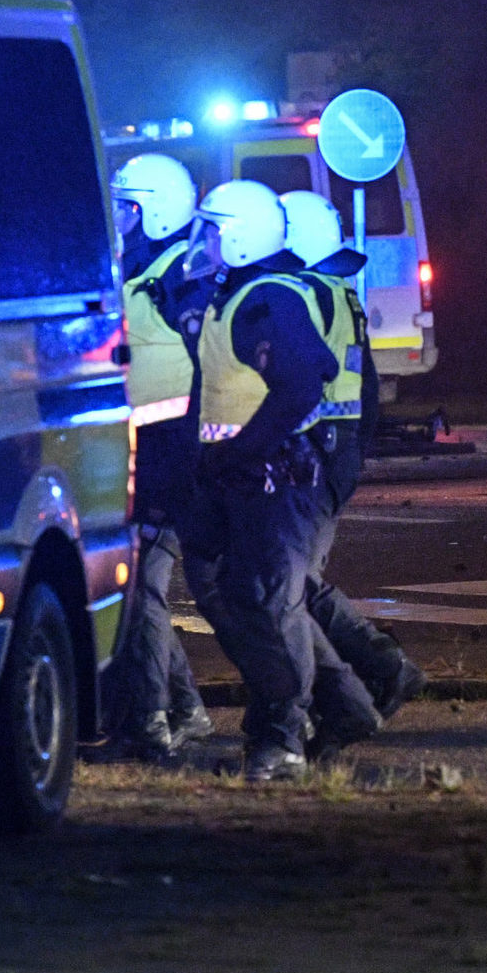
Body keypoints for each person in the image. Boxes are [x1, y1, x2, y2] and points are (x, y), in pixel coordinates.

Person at [181, 180, 380, 781]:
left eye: (214, 231)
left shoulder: (268, 299)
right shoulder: (241, 294)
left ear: (239, 237)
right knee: (249, 599)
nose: (205, 243)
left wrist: (245, 448)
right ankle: (338, 711)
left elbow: (305, 380)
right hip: (239, 481)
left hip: (274, 481)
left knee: (270, 606)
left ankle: (283, 741)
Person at [276, 190, 427, 751]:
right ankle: (370, 679)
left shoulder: (308, 297)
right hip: (328, 460)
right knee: (294, 587)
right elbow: (362, 394)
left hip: (309, 463)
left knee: (289, 591)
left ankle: (375, 676)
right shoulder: (338, 294)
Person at [102, 153, 216, 762]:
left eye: (126, 206)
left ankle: (149, 723)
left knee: (142, 589)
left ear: (153, 209)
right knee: (137, 588)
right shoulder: (140, 267)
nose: (115, 215)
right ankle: (188, 709)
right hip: (143, 452)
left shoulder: (180, 277)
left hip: (172, 455)